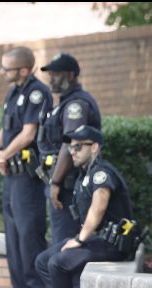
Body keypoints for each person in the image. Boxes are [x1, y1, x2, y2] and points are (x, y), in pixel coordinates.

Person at [35, 125, 134, 288]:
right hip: (95, 241)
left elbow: (98, 207)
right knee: (43, 261)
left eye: (78, 147)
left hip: (111, 243)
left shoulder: (101, 174)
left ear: (95, 147)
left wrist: (80, 239)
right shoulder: (84, 175)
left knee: (58, 262)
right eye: (70, 148)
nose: (72, 152)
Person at [0, 46, 52, 288]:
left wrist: (4, 155)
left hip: (28, 177)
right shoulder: (13, 92)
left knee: (29, 235)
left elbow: (28, 134)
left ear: (24, 70)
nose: (2, 72)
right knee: (12, 236)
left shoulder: (37, 93)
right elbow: (6, 130)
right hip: (11, 176)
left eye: (7, 68)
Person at [37, 53, 102, 245]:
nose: (51, 78)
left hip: (68, 187)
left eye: (56, 73)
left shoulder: (76, 104)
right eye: (51, 73)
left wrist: (55, 182)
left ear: (71, 75)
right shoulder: (64, 103)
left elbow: (70, 144)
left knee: (65, 246)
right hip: (64, 185)